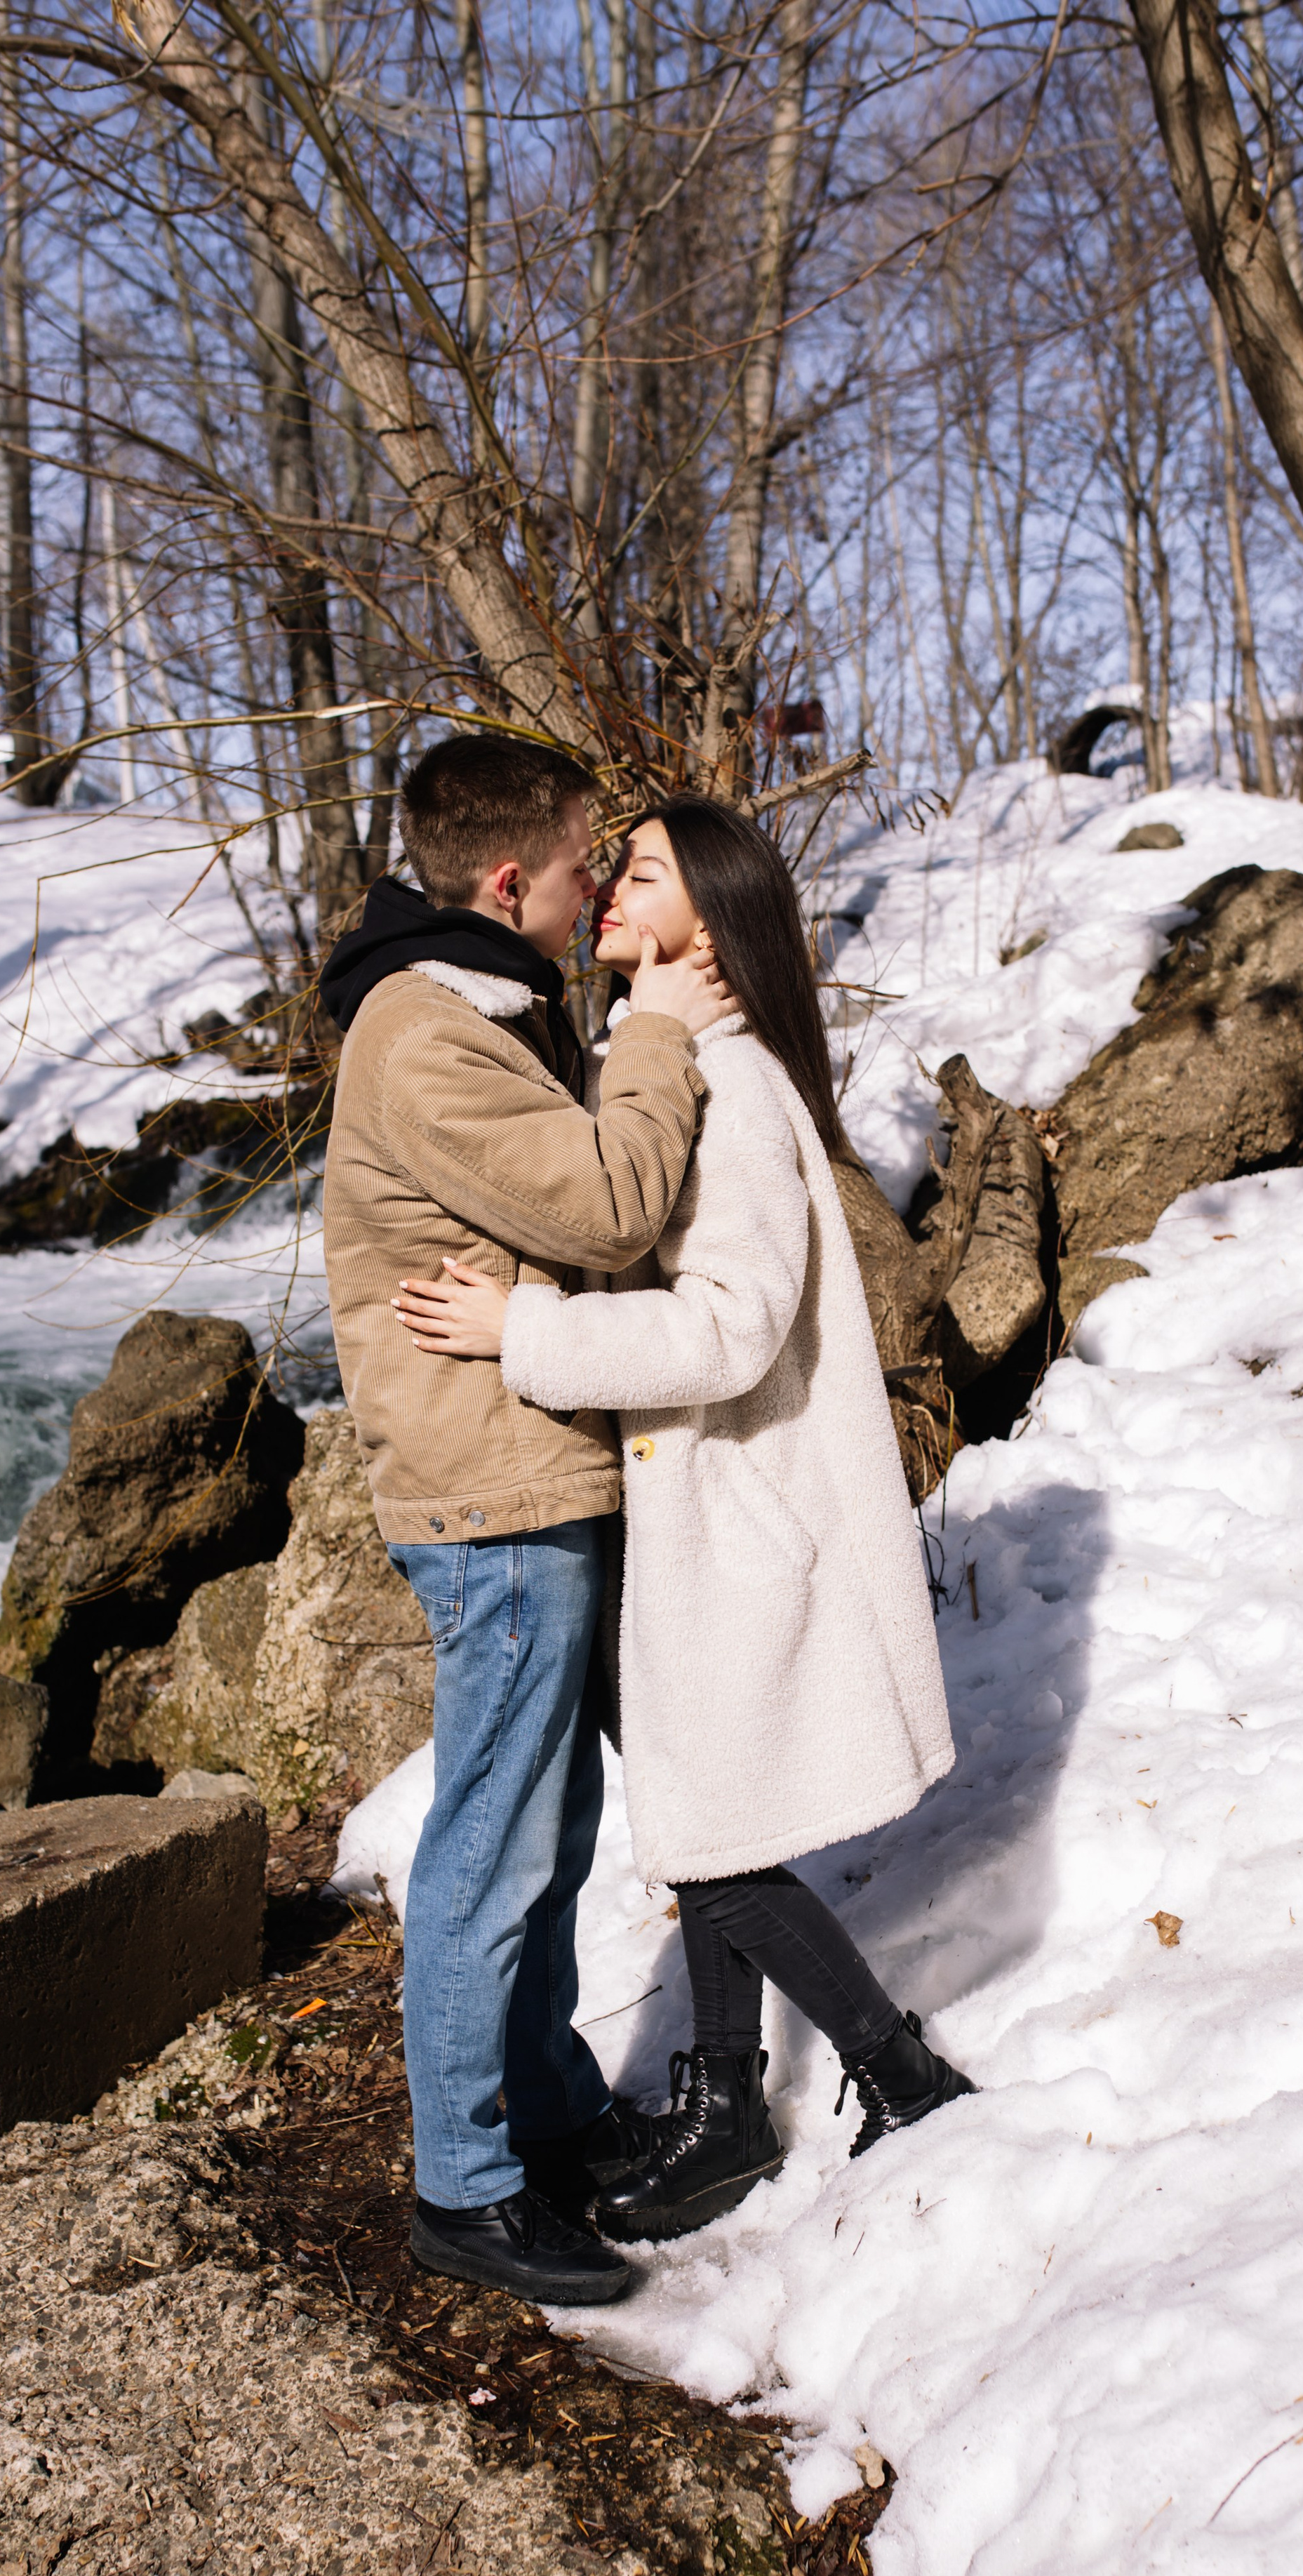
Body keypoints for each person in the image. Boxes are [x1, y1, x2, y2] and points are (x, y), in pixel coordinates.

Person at [391, 795, 973, 2242]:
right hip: (698, 1511)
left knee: (712, 1834)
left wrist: (519, 1333)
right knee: (703, 1812)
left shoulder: (740, 1092)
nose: (606, 889)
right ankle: (723, 2100)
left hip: (743, 1513)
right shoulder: (679, 1068)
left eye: (638, 873)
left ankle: (895, 2075)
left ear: (704, 927)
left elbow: (721, 1333)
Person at [319, 737, 732, 2304]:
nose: (589, 894)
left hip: (522, 1476)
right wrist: (657, 1029)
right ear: (509, 884)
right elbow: (611, 1204)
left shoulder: (469, 1013)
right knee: (490, 1849)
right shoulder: (427, 1037)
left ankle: (545, 2111)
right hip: (487, 1501)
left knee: (544, 1836)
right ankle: (467, 2186)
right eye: (579, 869)